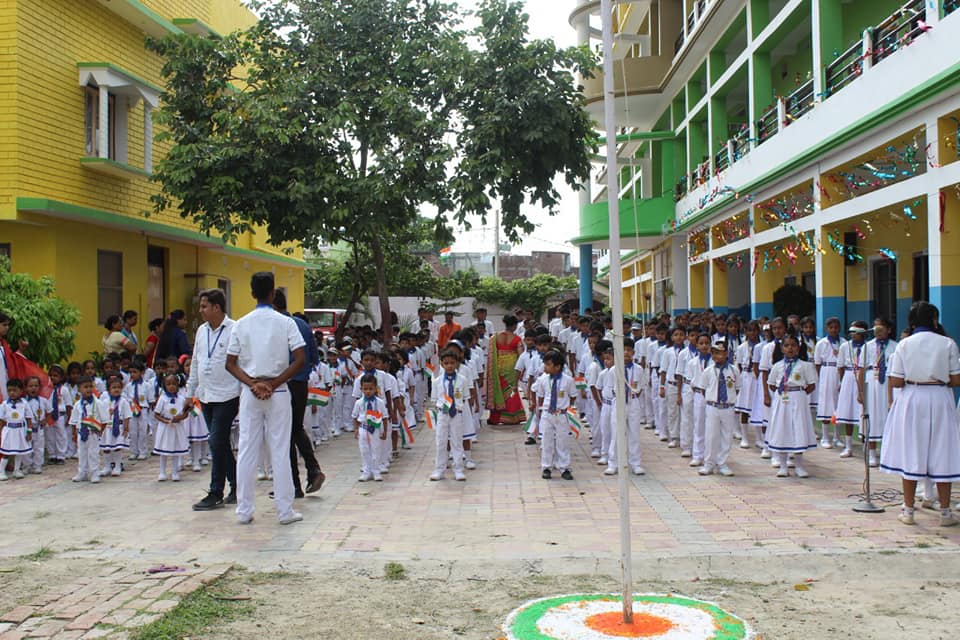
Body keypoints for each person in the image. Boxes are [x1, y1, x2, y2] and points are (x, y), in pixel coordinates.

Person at [226, 272, 306, 526]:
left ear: (252, 294)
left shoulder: (241, 323)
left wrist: (253, 383)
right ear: (273, 293)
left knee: (248, 449)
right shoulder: (285, 323)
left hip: (251, 392)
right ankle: (285, 511)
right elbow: (301, 358)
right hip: (278, 390)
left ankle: (244, 510)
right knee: (280, 450)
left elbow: (230, 363)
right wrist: (273, 383)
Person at [880, 301, 960, 527]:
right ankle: (945, 512)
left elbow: (895, 381)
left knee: (912, 450)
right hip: (940, 396)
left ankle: (908, 510)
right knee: (942, 451)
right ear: (934, 320)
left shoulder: (904, 345)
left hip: (912, 398)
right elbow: (956, 380)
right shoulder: (948, 344)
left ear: (912, 322)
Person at [185, 289, 241, 510]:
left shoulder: (234, 329)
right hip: (206, 395)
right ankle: (237, 485)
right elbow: (196, 361)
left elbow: (241, 361)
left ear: (216, 307)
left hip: (228, 394)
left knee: (216, 441)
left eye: (204, 306)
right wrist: (191, 392)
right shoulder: (201, 331)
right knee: (220, 444)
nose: (201, 311)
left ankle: (216, 491)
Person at [273, 290, 325, 498]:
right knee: (294, 429)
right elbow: (314, 357)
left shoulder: (276, 325)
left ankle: (294, 483)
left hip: (282, 383)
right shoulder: (302, 324)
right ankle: (311, 471)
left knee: (285, 433)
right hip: (300, 382)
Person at [764, 333, 817, 478]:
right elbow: (771, 384)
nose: (790, 348)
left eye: (793, 345)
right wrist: (783, 393)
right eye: (786, 346)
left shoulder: (805, 366)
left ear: (799, 348)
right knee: (782, 428)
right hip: (782, 400)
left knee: (798, 429)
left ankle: (799, 465)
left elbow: (811, 385)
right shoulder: (777, 366)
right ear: (781, 348)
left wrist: (798, 393)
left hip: (798, 398)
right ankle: (782, 465)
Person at [430, 349, 475, 481]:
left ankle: (458, 469)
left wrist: (457, 407)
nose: (449, 365)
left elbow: (465, 397)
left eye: (452, 363)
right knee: (441, 441)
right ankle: (439, 469)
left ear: (457, 364)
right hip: (442, 414)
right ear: (442, 364)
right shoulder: (437, 382)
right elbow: (434, 400)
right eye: (446, 363)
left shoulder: (462, 380)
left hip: (456, 414)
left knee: (457, 441)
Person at [698, 340, 740, 476]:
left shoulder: (734, 370)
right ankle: (709, 463)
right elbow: (703, 389)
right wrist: (713, 400)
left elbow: (737, 388)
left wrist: (728, 400)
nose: (717, 356)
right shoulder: (708, 371)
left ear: (726, 353)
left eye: (720, 353)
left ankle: (722, 463)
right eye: (714, 353)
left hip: (727, 407)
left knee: (727, 435)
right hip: (713, 406)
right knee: (711, 435)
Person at [604, 339, 645, 476]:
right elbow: (610, 389)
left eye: (629, 350)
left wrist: (634, 395)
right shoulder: (614, 370)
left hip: (633, 402)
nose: (626, 353)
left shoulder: (638, 369)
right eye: (623, 350)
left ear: (633, 352)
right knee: (616, 433)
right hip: (619, 402)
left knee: (634, 433)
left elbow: (640, 387)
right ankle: (613, 463)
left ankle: (636, 463)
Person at [861, 317, 896, 467]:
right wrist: (860, 390)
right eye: (875, 329)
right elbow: (861, 369)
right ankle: (872, 453)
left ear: (889, 330)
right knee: (872, 415)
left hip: (889, 382)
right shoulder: (867, 347)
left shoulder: (896, 346)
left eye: (881, 329)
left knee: (889, 416)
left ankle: (889, 452)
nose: (878, 332)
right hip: (872, 380)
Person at [536, 350, 576, 480]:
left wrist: (565, 408)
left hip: (561, 414)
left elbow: (573, 396)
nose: (545, 367)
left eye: (548, 364)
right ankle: (546, 467)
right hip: (548, 414)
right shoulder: (543, 379)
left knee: (562, 441)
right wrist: (543, 410)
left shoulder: (568, 380)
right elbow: (541, 396)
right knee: (546, 440)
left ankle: (564, 467)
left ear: (557, 366)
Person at [835, 321, 868, 458]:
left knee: (864, 411)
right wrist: (843, 382)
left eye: (857, 332)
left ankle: (866, 445)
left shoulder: (868, 347)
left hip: (864, 377)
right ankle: (848, 446)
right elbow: (840, 366)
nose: (853, 335)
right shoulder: (845, 346)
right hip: (849, 376)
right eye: (852, 332)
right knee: (848, 413)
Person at [485, 315, 526, 425]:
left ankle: (496, 417)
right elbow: (521, 355)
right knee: (512, 391)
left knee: (498, 390)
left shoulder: (495, 337)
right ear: (514, 325)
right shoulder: (517, 339)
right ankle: (511, 417)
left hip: (497, 368)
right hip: (512, 369)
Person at [814, 317, 845, 449]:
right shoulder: (821, 343)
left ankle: (837, 437)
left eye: (836, 327)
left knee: (839, 405)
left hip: (839, 371)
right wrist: (820, 378)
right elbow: (817, 364)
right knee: (826, 404)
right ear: (827, 328)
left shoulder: (844, 343)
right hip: (826, 372)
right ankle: (825, 437)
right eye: (831, 327)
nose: (833, 330)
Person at [352, 374, 388, 481]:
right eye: (365, 389)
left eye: (371, 389)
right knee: (364, 450)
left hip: (375, 428)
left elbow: (385, 417)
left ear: (376, 388)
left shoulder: (380, 403)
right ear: (361, 389)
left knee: (376, 449)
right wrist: (355, 429)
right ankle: (366, 471)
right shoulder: (359, 403)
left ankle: (376, 471)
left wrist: (384, 431)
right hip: (363, 428)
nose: (368, 391)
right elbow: (354, 416)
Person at [153, 373, 188, 482]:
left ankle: (174, 472)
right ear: (164, 386)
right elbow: (156, 414)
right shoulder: (162, 399)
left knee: (176, 450)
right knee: (164, 450)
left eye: (174, 384)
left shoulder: (182, 399)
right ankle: (162, 472)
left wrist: (180, 417)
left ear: (178, 385)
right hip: (165, 427)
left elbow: (186, 413)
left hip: (177, 427)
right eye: (168, 384)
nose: (171, 386)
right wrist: (165, 421)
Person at [69, 376, 102, 484]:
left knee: (93, 453)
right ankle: (82, 472)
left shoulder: (97, 403)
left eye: (90, 387)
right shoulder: (77, 404)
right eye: (85, 387)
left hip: (93, 432)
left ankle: (94, 473)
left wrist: (100, 431)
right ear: (79, 389)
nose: (88, 389)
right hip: (81, 432)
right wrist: (74, 433)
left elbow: (104, 418)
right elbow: (74, 421)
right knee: (82, 453)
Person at [0, 379, 32, 480]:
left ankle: (17, 470)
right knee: (6, 452)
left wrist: (29, 431)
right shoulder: (4, 404)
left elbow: (28, 418)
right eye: (9, 390)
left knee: (19, 451)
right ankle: (1, 471)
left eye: (14, 390)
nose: (12, 393)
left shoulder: (24, 403)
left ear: (21, 391)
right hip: (9, 430)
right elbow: (2, 420)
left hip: (20, 430)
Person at [124, 362, 154, 462]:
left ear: (142, 372)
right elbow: (127, 399)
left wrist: (147, 413)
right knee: (133, 432)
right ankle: (133, 452)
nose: (132, 374)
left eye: (135, 372)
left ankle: (143, 451)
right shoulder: (128, 386)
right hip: (132, 410)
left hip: (143, 410)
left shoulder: (147, 385)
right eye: (130, 372)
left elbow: (150, 401)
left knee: (142, 432)